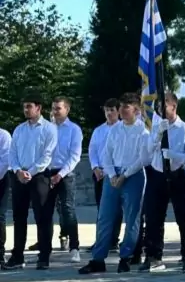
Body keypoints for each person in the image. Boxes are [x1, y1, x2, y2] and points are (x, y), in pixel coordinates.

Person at [78, 93, 149, 274]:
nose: (122, 111)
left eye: (126, 107)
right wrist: (111, 174)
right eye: (121, 107)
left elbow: (143, 158)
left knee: (132, 218)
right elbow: (106, 154)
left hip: (133, 174)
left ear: (136, 110)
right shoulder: (115, 129)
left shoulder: (143, 131)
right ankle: (98, 259)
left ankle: (126, 257)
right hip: (113, 174)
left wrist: (125, 175)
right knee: (105, 217)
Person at [141, 93, 185, 273]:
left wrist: (174, 155)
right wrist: (158, 134)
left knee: (183, 217)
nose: (160, 110)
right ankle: (153, 256)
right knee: (153, 218)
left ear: (174, 106)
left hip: (176, 175)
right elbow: (149, 150)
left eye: (164, 106)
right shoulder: (156, 126)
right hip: (157, 174)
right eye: (159, 107)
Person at [2, 94, 57, 271]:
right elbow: (12, 153)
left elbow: (47, 155)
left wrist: (30, 172)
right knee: (19, 216)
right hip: (19, 176)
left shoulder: (49, 129)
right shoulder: (19, 130)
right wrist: (18, 170)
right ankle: (17, 255)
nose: (26, 110)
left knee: (42, 216)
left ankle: (44, 256)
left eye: (29, 106)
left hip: (39, 176)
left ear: (38, 108)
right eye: (24, 107)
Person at [47, 96, 83, 264]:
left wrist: (60, 174)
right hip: (47, 172)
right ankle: (45, 248)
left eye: (58, 108)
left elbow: (75, 156)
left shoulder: (74, 129)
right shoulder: (47, 128)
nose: (55, 111)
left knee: (68, 209)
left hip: (65, 173)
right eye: (53, 108)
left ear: (67, 110)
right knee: (45, 210)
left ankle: (74, 247)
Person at [88, 98, 122, 253]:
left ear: (118, 111)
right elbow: (92, 150)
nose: (109, 113)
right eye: (107, 110)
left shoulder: (122, 129)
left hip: (115, 173)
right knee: (102, 209)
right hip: (100, 173)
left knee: (116, 209)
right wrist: (95, 167)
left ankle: (113, 239)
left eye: (112, 110)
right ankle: (101, 239)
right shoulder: (99, 130)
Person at [0, 126, 10, 266]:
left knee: (0, 216)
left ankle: (0, 254)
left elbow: (5, 161)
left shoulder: (3, 135)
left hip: (1, 179)